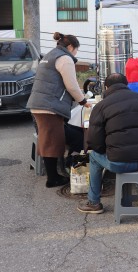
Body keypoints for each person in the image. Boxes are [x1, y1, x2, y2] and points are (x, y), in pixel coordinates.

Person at [77, 73, 138, 214]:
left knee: (94, 157)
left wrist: (107, 149)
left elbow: (94, 140)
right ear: (126, 85)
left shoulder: (101, 106)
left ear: (106, 87)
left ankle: (94, 203)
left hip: (119, 163)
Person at [27, 32, 91, 188]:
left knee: (53, 137)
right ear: (70, 47)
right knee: (53, 141)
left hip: (40, 104)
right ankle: (53, 178)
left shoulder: (50, 55)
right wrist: (83, 101)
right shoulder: (65, 59)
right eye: (76, 50)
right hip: (49, 106)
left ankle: (59, 171)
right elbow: (71, 84)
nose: (76, 53)